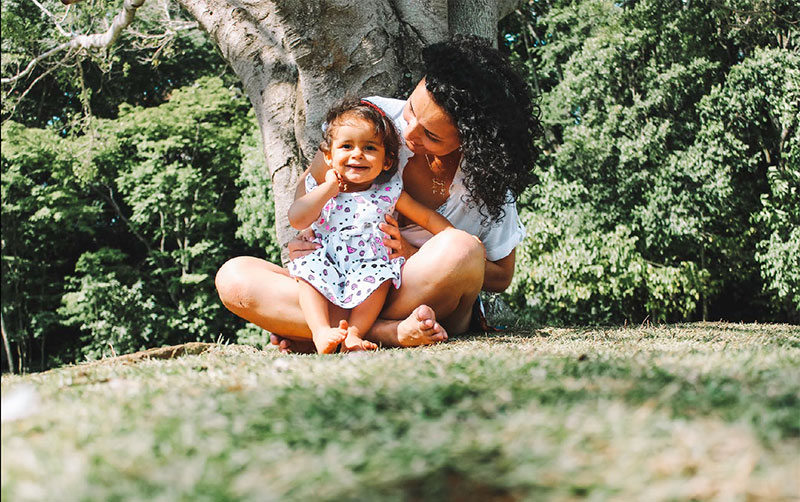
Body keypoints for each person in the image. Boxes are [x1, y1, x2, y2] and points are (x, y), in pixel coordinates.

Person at [215, 35, 542, 353]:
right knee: (235, 277)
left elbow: (501, 276)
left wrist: (412, 253)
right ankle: (384, 332)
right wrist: (308, 233)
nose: (408, 133)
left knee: (461, 248)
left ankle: (317, 329)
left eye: (430, 135)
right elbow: (309, 185)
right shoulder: (370, 122)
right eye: (412, 110)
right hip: (340, 279)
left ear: (470, 140)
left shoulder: (489, 181)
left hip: (416, 290)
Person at [288, 98, 453, 353]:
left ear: (387, 161)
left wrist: (451, 236)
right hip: (326, 261)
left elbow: (428, 218)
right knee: (307, 275)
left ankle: (355, 333)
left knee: (381, 278)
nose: (357, 154)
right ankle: (320, 331)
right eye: (346, 146)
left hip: (369, 264)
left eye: (369, 148)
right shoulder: (321, 191)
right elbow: (297, 218)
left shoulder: (388, 193)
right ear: (329, 157)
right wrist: (329, 188)